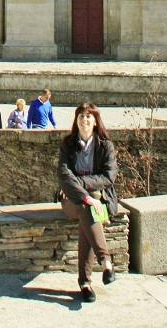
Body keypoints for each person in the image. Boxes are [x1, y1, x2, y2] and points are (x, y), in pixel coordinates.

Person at [57, 102, 118, 302]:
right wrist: (84, 194)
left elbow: (109, 177)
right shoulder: (67, 144)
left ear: (95, 122)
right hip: (71, 199)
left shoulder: (105, 146)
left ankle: (85, 282)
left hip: (97, 200)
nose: (84, 119)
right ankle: (106, 262)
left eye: (88, 116)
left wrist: (81, 182)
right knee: (86, 207)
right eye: (81, 116)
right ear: (76, 120)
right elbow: (64, 175)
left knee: (88, 211)